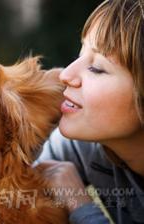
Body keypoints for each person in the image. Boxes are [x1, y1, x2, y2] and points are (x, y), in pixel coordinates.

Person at [34, 0, 144, 223]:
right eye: (81, 53)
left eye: (96, 68)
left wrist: (80, 206)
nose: (65, 75)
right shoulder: (84, 147)